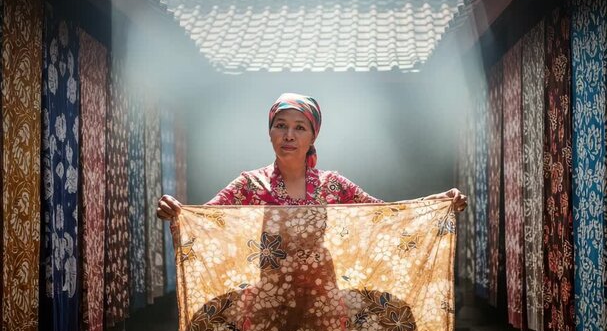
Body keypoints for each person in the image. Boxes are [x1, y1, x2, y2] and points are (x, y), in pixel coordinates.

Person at [156, 92, 467, 219]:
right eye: (281, 126)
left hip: (324, 302)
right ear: (270, 132)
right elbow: (206, 219)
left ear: (313, 135)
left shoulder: (334, 185)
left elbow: (384, 215)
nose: (289, 135)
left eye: (300, 127)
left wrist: (438, 203)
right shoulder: (250, 185)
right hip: (267, 301)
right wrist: (177, 212)